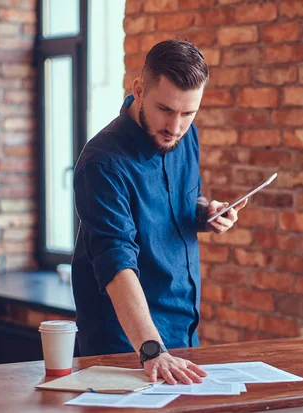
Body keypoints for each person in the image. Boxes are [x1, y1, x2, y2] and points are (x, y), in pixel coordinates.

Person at [71, 40, 247, 385]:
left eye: (188, 113)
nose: (175, 126)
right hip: (125, 346)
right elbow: (114, 260)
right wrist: (151, 350)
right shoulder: (102, 162)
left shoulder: (185, 135)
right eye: (165, 110)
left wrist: (205, 214)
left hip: (184, 336)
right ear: (139, 90)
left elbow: (182, 200)